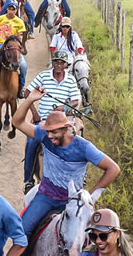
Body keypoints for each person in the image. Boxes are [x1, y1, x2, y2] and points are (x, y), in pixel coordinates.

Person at [12, 85, 120, 239]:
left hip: (73, 201)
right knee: (20, 232)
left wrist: (89, 196)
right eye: (48, 131)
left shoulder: (84, 147)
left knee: (88, 240)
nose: (50, 136)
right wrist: (30, 99)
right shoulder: (43, 135)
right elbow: (17, 122)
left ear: (65, 129)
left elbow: (113, 169)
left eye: (54, 132)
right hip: (46, 196)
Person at [18, 50, 81, 192]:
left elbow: (75, 101)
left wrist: (63, 107)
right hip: (43, 121)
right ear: (52, 63)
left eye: (61, 63)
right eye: (56, 62)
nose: (58, 65)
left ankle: (80, 177)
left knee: (77, 142)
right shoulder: (43, 76)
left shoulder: (70, 80)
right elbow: (27, 93)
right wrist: (35, 113)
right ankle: (28, 180)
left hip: (62, 122)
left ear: (66, 64)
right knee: (31, 143)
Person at [0, 0, 28, 92]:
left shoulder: (19, 22)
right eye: (9, 8)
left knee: (23, 66)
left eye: (13, 9)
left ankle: (21, 87)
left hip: (12, 46)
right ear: (6, 9)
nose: (11, 11)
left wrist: (17, 46)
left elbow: (19, 38)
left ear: (16, 10)